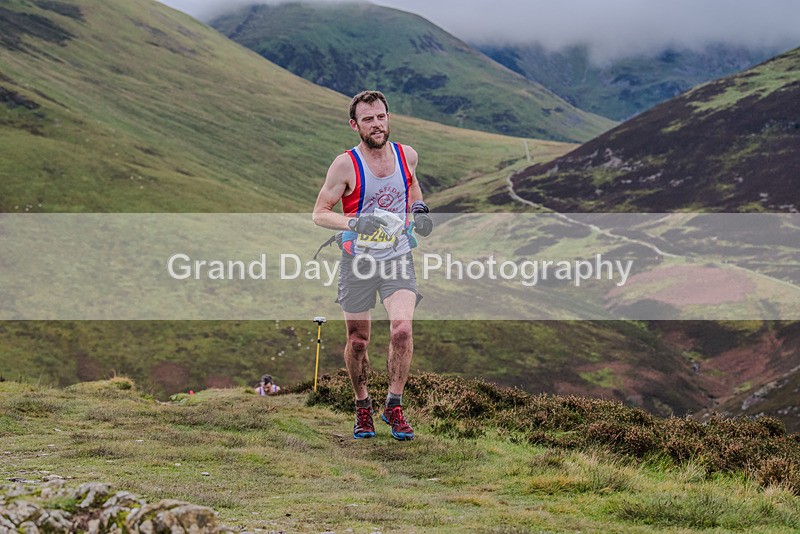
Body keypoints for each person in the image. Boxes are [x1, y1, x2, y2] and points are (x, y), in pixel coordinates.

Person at [312, 90, 433, 441]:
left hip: (397, 257)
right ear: (355, 125)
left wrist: (419, 210)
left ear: (388, 118)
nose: (377, 124)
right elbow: (319, 213)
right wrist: (354, 222)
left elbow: (413, 188)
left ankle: (393, 405)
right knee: (358, 341)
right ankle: (362, 405)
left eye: (381, 116)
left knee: (402, 330)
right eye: (368, 119)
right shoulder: (345, 165)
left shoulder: (407, 155)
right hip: (358, 262)